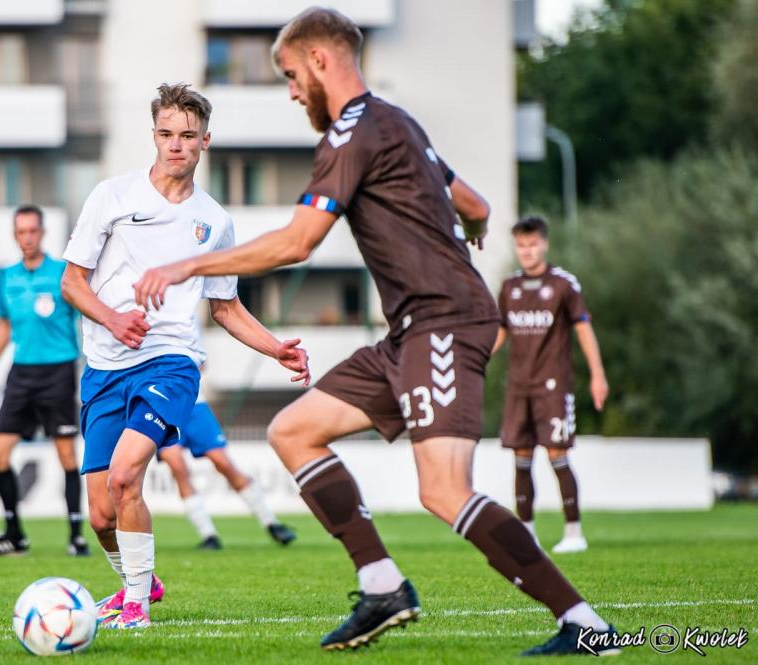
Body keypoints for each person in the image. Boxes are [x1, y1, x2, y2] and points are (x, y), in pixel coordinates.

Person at [133, 8, 618, 656]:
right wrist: (466, 233)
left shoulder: (350, 132)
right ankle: (383, 583)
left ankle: (586, 623)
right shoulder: (399, 123)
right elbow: (475, 204)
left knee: (443, 491)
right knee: (293, 430)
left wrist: (187, 263)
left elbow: (297, 241)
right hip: (409, 332)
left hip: (444, 323)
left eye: (290, 74)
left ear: (321, 61)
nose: (291, 90)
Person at [60, 83, 310, 631]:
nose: (177, 145)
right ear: (154, 136)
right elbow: (72, 284)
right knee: (101, 514)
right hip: (103, 367)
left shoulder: (214, 221)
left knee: (127, 476)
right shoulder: (112, 196)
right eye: (167, 134)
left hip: (170, 362)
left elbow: (225, 307)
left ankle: (135, 607)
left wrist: (277, 349)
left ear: (205, 142)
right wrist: (113, 317)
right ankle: (141, 581)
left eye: (188, 136)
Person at [0, 205, 88, 557]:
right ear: (14, 234)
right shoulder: (5, 277)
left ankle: (75, 535)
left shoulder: (62, 273)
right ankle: (14, 535)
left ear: (42, 233)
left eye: (32, 231)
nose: (27, 237)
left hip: (59, 370)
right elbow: (4, 326)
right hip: (21, 373)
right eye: (21, 231)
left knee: (67, 454)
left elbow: (85, 317)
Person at [493, 215, 609, 554]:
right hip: (518, 386)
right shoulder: (509, 287)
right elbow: (501, 331)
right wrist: (475, 359)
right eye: (521, 245)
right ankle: (526, 533)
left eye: (532, 244)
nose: (526, 251)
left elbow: (583, 328)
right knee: (521, 457)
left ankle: (574, 531)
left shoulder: (563, 285)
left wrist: (598, 374)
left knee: (558, 454)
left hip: (553, 385)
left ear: (544, 244)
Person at [157, 383, 296, 549]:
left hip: (194, 404)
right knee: (177, 466)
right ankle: (209, 535)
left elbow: (202, 363)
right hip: (161, 406)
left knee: (223, 463)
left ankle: (271, 523)